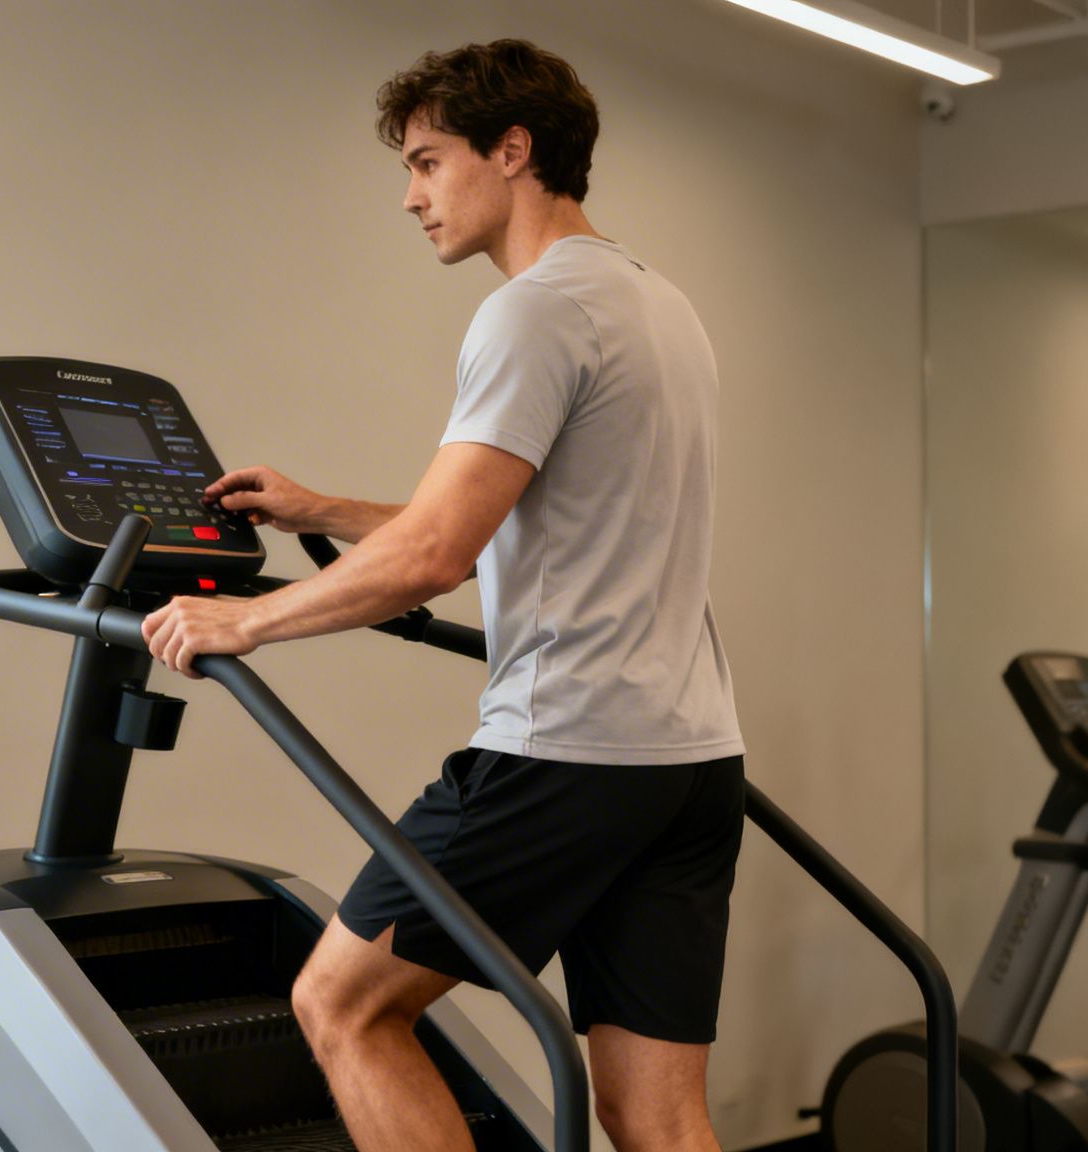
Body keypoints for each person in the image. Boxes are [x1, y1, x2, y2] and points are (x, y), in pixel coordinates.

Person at [141, 38, 743, 1152]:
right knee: (653, 1113)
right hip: (687, 765)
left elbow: (436, 557)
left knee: (341, 1004)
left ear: (510, 150)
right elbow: (546, 520)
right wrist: (322, 512)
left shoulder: (530, 311)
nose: (411, 196)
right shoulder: (656, 305)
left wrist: (248, 621)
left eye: (426, 161)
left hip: (563, 750)